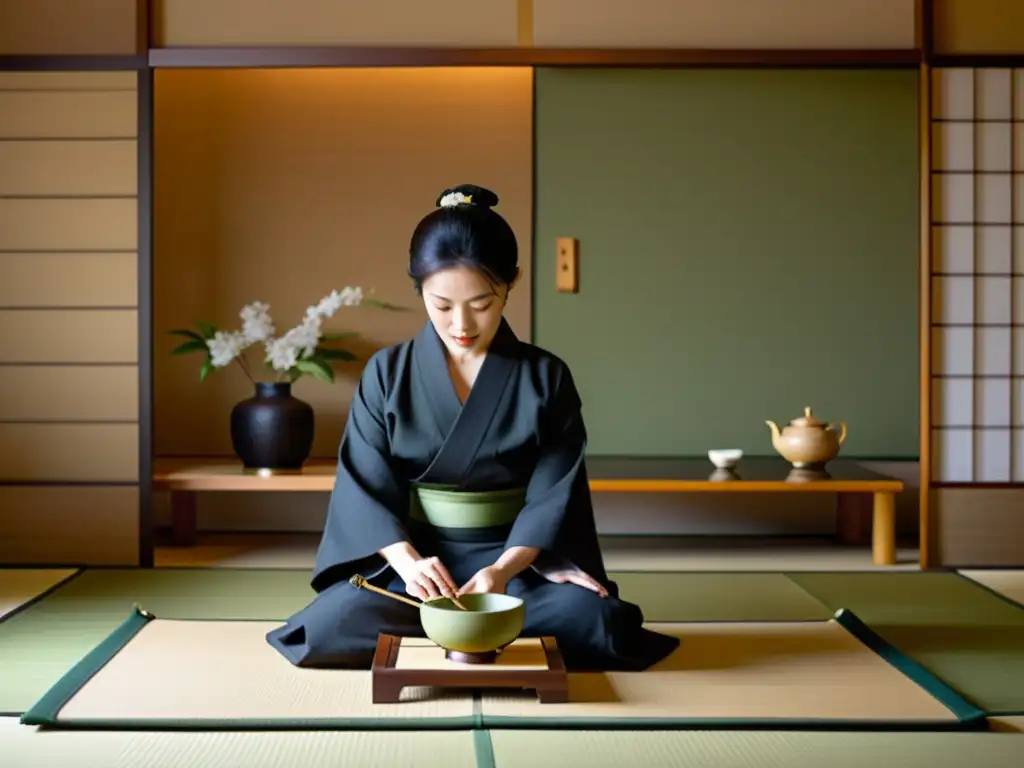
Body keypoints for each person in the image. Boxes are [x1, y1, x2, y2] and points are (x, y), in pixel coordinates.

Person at [266, 184, 680, 671]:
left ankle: (483, 615)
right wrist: (407, 563)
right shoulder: (387, 372)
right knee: (327, 627)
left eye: (482, 303)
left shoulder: (545, 377)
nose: (461, 323)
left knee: (596, 621)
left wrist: (502, 571)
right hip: (418, 569)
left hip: (513, 564)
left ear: (512, 282)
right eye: (441, 305)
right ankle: (467, 621)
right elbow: (364, 485)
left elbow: (553, 492)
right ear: (418, 287)